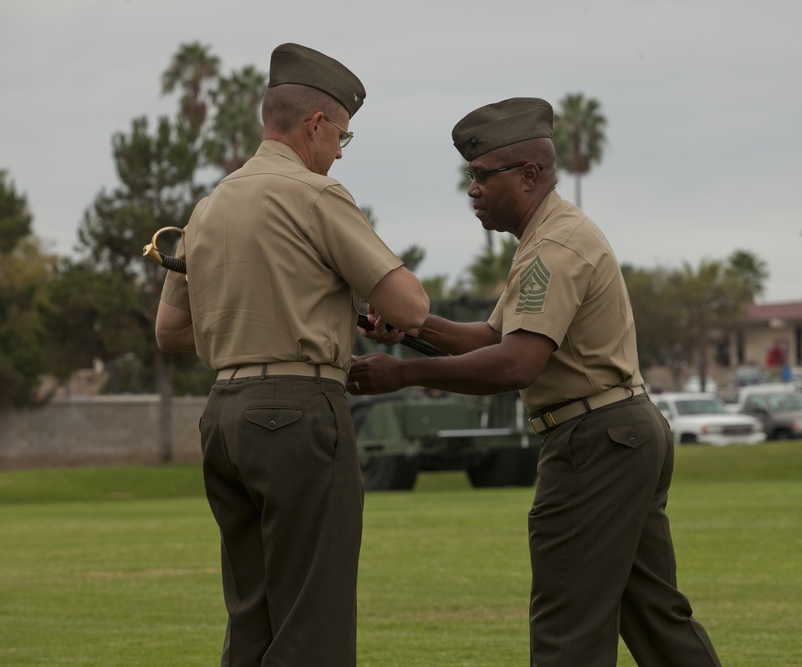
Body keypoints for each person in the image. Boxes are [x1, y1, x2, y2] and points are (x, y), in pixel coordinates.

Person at [349, 97, 722, 666]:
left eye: (481, 175)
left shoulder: (553, 246)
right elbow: (493, 337)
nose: (472, 190)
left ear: (529, 176)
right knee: (651, 614)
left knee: (567, 627)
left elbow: (515, 364)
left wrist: (404, 375)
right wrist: (413, 325)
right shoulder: (549, 236)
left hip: (592, 443)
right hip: (620, 432)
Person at [154, 43, 429, 666]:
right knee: (313, 622)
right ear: (315, 125)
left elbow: (171, 332)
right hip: (299, 412)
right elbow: (410, 306)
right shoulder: (315, 195)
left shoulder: (207, 207)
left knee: (252, 620)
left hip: (223, 415)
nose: (338, 153)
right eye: (342, 138)